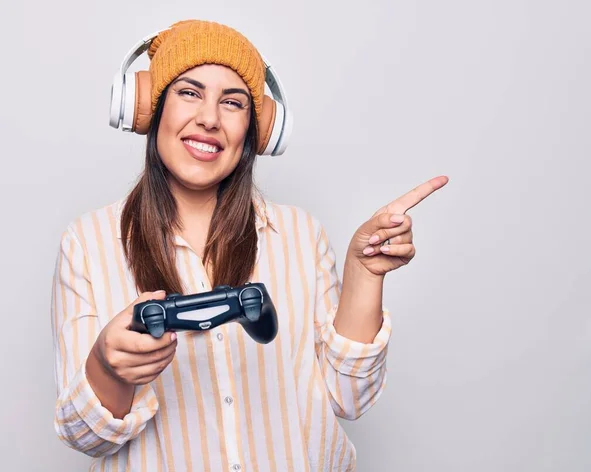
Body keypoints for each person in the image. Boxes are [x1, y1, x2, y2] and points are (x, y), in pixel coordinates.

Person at [50, 19, 448, 472]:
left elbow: (349, 398)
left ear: (257, 129)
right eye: (189, 92)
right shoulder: (87, 244)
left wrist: (365, 273)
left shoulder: (300, 234)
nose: (209, 118)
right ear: (148, 107)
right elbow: (85, 436)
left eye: (233, 103)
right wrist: (108, 365)